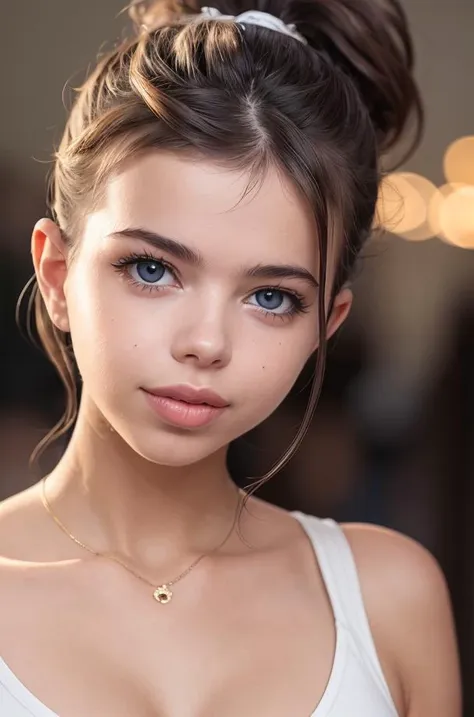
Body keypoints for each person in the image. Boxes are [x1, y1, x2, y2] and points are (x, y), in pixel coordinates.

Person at [0, 1, 462, 715]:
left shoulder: (388, 599)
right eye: (153, 269)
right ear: (57, 274)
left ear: (326, 324)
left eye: (272, 297)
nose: (206, 343)